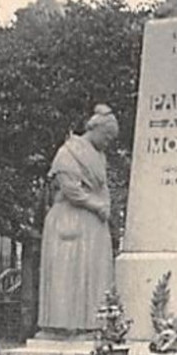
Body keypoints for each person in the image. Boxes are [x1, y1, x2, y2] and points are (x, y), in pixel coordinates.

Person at [37, 104, 119, 335]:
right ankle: (63, 327)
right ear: (96, 130)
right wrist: (96, 205)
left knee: (93, 276)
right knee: (67, 273)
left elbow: (102, 187)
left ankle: (93, 325)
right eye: (107, 137)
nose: (108, 143)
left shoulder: (99, 155)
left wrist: (104, 207)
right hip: (69, 220)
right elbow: (70, 189)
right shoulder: (69, 152)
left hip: (93, 224)